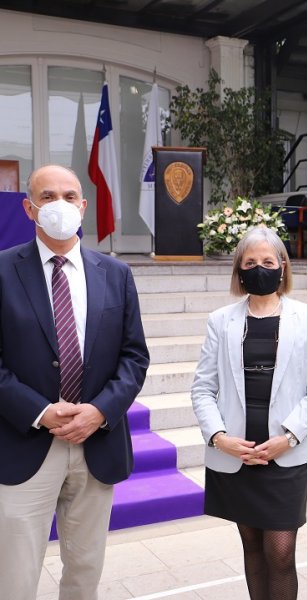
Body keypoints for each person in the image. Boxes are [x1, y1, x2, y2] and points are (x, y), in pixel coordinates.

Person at [0, 164, 150, 599]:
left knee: (85, 569)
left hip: (96, 444)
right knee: (15, 574)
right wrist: (41, 412)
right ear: (30, 209)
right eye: (48, 197)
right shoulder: (4, 271)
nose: (59, 205)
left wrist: (101, 410)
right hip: (24, 443)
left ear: (84, 207)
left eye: (69, 196)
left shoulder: (116, 274)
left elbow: (134, 357)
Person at [191, 225, 307, 600]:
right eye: (250, 262)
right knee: (252, 547)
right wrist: (220, 438)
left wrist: (288, 438)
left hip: (285, 451)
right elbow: (203, 388)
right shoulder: (221, 320)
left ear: (283, 267)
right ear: (238, 270)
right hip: (237, 451)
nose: (259, 268)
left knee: (281, 552)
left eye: (268, 261)